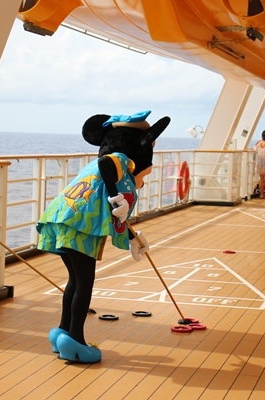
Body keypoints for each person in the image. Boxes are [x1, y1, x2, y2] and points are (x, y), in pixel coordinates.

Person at [37, 111, 170, 363]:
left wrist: (133, 237)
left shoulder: (92, 167)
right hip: (80, 226)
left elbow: (114, 211)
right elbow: (107, 167)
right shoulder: (119, 158)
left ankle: (62, 333)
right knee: (85, 282)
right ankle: (75, 340)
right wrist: (113, 195)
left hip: (63, 219)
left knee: (75, 281)